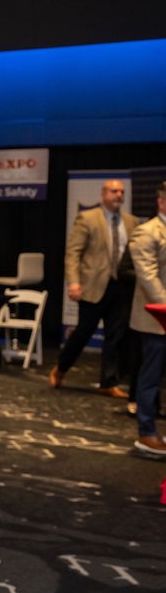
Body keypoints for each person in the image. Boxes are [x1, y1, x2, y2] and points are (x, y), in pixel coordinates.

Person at [49, 180, 137, 396]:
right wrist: (74, 282)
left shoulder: (131, 221)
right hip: (93, 286)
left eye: (121, 192)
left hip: (121, 286)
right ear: (104, 193)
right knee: (83, 332)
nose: (118, 195)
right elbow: (73, 253)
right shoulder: (88, 218)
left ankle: (108, 382)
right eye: (114, 191)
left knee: (115, 336)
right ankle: (61, 367)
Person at [127, 181, 166, 456]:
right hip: (156, 318)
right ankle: (146, 433)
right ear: (161, 202)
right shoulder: (147, 232)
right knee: (151, 375)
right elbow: (148, 276)